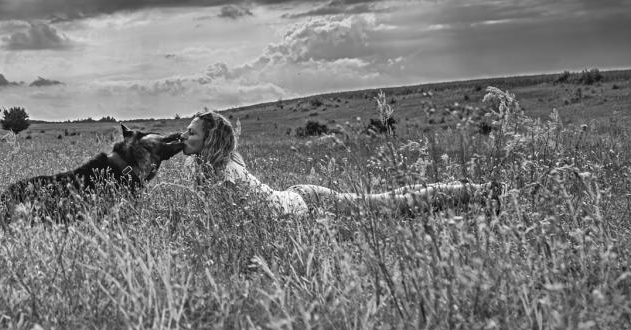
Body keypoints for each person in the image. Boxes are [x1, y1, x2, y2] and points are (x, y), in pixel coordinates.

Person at [181, 110, 499, 215]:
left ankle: (476, 191)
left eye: (191, 132)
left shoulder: (225, 172)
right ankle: (470, 190)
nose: (184, 136)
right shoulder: (213, 166)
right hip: (300, 199)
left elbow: (232, 219)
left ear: (210, 139)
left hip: (310, 202)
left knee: (395, 205)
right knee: (393, 200)